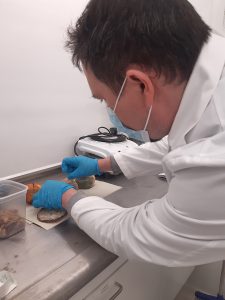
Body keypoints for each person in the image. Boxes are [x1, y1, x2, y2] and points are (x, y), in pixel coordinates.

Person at [32, 0, 225, 267]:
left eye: (105, 100)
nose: (110, 111)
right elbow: (180, 141)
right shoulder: (211, 84)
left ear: (140, 85)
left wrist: (69, 198)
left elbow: (140, 234)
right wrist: (104, 162)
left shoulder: (217, 156)